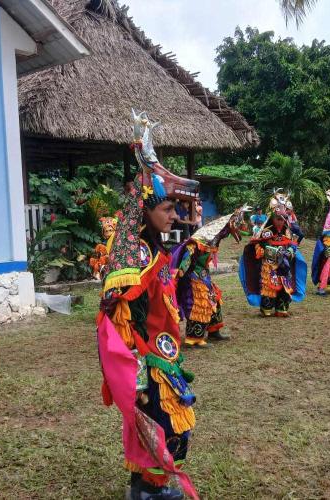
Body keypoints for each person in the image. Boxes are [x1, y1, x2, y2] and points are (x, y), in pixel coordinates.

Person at [96, 110, 198, 500]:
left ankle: (150, 487)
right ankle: (146, 491)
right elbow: (122, 321)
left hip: (164, 356)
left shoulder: (155, 250)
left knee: (167, 424)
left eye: (175, 208)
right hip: (149, 361)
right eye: (168, 209)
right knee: (161, 423)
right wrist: (136, 379)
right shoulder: (135, 257)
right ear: (146, 210)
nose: (174, 216)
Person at [173, 206, 250, 347]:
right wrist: (180, 274)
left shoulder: (216, 237)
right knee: (200, 304)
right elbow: (186, 259)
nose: (227, 234)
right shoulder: (199, 241)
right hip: (194, 276)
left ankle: (214, 331)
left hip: (204, 274)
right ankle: (194, 338)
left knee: (215, 299)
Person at [240, 190, 307, 317]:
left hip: (285, 263)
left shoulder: (288, 229)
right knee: (269, 286)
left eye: (284, 218)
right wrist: (268, 251)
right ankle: (267, 308)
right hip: (270, 264)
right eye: (278, 218)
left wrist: (291, 250)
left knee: (284, 286)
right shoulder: (266, 230)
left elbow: (294, 241)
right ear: (272, 217)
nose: (281, 221)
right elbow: (256, 243)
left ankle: (281, 308)